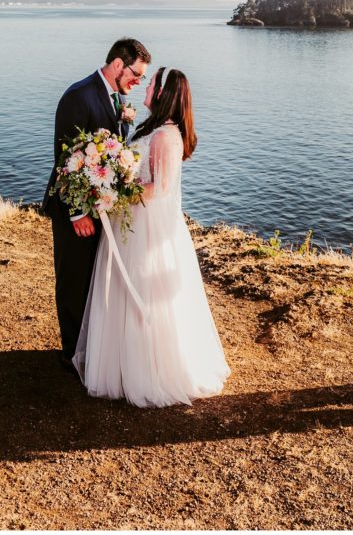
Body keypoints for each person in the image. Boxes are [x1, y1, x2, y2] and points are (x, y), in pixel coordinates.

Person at [72, 67, 230, 407]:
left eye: (152, 82)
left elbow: (158, 188)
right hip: (135, 223)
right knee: (125, 290)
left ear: (163, 94)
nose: (145, 86)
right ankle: (122, 362)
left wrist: (113, 192)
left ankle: (148, 370)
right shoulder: (155, 129)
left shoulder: (164, 136)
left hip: (148, 228)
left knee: (143, 292)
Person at [43, 37, 150, 374]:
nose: (137, 82)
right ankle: (71, 354)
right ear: (118, 64)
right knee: (74, 281)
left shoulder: (115, 97)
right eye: (136, 74)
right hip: (74, 211)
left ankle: (91, 348)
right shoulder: (79, 96)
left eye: (142, 79)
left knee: (94, 281)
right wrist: (77, 212)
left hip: (100, 208)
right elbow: (65, 160)